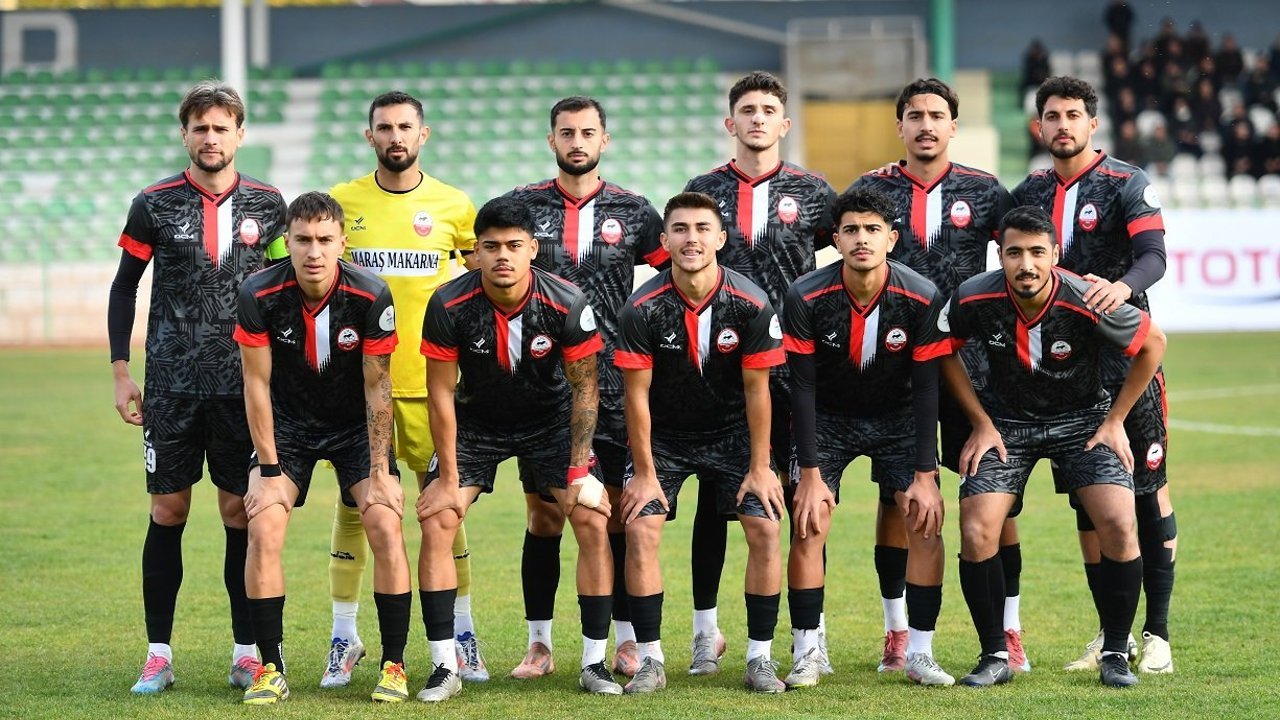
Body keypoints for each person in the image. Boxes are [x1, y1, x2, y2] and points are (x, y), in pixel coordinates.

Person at [108, 80, 287, 695]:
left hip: (244, 388)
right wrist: (121, 371)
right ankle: (158, 654)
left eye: (221, 128)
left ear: (240, 134)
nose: (211, 138)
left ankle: (245, 652)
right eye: (200, 128)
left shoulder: (270, 204)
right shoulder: (153, 204)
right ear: (185, 134)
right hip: (171, 387)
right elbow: (124, 286)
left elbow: (283, 287)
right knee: (168, 511)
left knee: (240, 513)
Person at [944, 205, 1166, 689]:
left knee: (1119, 521)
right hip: (1007, 425)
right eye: (1014, 253)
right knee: (977, 528)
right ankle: (994, 654)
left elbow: (1154, 344)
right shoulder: (974, 297)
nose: (1026, 264)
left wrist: (1115, 421)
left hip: (1083, 421)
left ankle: (1114, 652)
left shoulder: (1086, 297)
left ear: (1055, 253)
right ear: (1000, 255)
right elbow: (943, 350)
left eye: (1037, 252)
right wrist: (979, 422)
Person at [849, 78, 1023, 674]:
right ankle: (897, 631)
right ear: (899, 125)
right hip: (897, 369)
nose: (926, 124)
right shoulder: (871, 189)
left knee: (996, 501)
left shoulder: (985, 190)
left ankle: (1009, 628)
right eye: (915, 115)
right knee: (896, 498)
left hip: (975, 367)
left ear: (953, 125)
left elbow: (1025, 253)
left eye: (936, 115)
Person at [415, 196, 618, 702]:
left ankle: (594, 663)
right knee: (438, 518)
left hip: (549, 423)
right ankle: (444, 667)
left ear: (532, 249)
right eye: (491, 247)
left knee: (591, 518)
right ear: (475, 252)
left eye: (512, 245)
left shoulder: (566, 302)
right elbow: (439, 392)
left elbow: (585, 388)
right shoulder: (448, 303)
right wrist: (446, 478)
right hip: (476, 423)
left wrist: (579, 472)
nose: (502, 256)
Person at [322, 90, 485, 688]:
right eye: (384, 127)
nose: (395, 136)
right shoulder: (341, 203)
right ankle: (344, 636)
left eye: (405, 127)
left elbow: (480, 286)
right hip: (358, 386)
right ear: (370, 136)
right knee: (357, 505)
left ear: (424, 134)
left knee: (443, 504)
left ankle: (461, 634)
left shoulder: (455, 206)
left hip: (430, 384)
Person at [1015, 76, 1177, 675]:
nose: (1063, 125)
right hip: (1064, 370)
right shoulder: (1029, 191)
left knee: (1148, 491)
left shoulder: (1125, 182)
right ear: (1039, 127)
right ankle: (1113, 634)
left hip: (1126, 360)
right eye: (1053, 116)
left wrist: (1123, 287)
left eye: (1073, 115)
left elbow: (1154, 256)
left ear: (1092, 123)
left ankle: (1157, 633)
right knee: (1090, 504)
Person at [501, 96, 667, 679]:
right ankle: (539, 644)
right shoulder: (523, 206)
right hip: (543, 389)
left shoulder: (635, 210)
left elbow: (673, 275)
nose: (577, 142)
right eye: (567, 132)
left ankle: (625, 641)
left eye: (587, 132)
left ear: (604, 140)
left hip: (613, 384)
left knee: (614, 514)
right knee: (544, 517)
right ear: (552, 140)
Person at [681, 71, 835, 676]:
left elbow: (847, 255)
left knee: (798, 501)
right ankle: (706, 633)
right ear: (731, 122)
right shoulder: (703, 189)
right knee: (714, 502)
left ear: (784, 123)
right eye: (747, 110)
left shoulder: (813, 191)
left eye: (769, 110)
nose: (758, 119)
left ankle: (809, 637)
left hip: (793, 367)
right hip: (719, 370)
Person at [233, 191, 414, 705]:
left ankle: (394, 665)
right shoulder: (259, 292)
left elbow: (378, 387)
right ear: (287, 242)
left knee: (385, 522)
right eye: (303, 240)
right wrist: (269, 470)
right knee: (263, 527)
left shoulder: (371, 293)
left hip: (355, 428)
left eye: (324, 240)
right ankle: (271, 668)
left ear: (342, 243)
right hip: (288, 427)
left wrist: (379, 469)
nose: (314, 251)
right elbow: (255, 385)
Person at [615, 191, 788, 695]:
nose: (691, 239)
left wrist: (761, 467)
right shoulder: (641, 307)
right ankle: (650, 662)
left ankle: (759, 659)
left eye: (701, 229)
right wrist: (644, 473)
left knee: (766, 527)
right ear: (664, 240)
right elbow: (636, 397)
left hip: (732, 435)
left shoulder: (751, 303)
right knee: (641, 528)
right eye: (681, 229)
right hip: (664, 439)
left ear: (720, 238)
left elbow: (758, 392)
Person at [782, 187, 954, 689]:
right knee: (808, 522)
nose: (862, 239)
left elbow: (928, 387)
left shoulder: (921, 295)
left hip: (897, 418)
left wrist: (926, 474)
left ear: (892, 239)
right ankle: (807, 650)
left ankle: (919, 652)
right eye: (851, 230)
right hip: (828, 418)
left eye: (873, 229)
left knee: (925, 522)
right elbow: (802, 387)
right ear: (835, 239)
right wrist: (809, 474)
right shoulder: (805, 295)